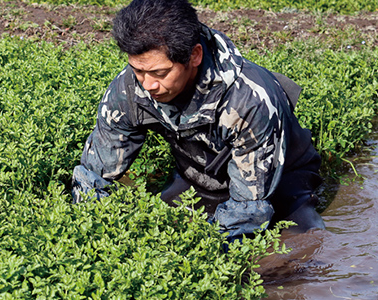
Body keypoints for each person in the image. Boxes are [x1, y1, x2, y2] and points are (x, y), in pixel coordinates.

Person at [71, 0, 325, 242]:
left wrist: (213, 256)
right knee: (161, 226)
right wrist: (86, 231)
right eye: (138, 70)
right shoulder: (128, 88)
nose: (148, 85)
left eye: (160, 73)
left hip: (278, 181)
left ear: (194, 56)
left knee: (298, 248)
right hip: (199, 177)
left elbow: (249, 210)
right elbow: (93, 175)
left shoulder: (249, 100)